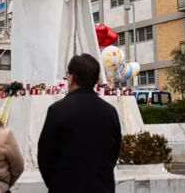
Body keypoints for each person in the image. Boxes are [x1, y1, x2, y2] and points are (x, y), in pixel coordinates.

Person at [38, 54, 122, 193]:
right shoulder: (110, 112)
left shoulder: (58, 110)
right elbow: (114, 152)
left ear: (71, 78)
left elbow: (45, 156)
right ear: (95, 80)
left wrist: (55, 184)